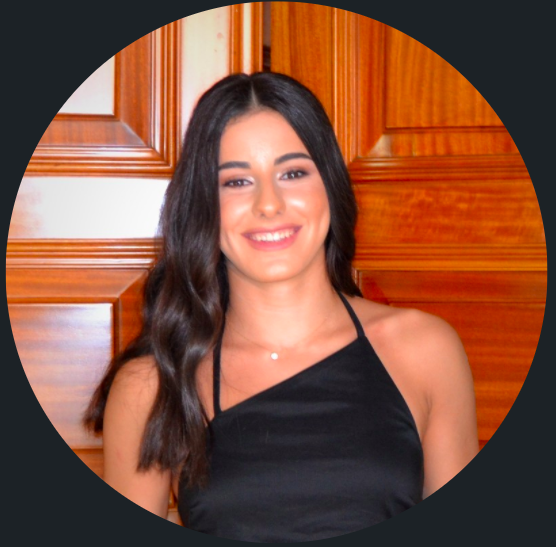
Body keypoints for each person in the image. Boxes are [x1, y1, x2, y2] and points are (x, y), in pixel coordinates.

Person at [84, 72, 478, 541]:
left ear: (329, 185)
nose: (268, 204)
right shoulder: (151, 385)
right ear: (203, 205)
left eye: (292, 173)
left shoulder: (426, 349)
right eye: (236, 181)